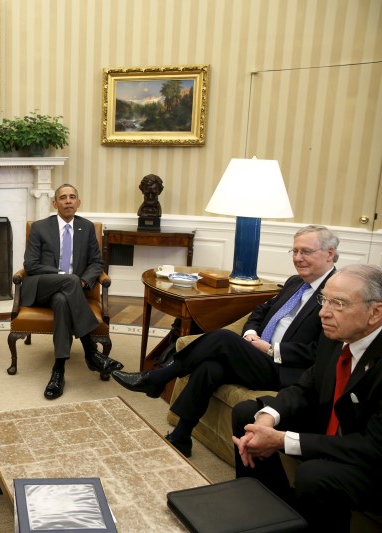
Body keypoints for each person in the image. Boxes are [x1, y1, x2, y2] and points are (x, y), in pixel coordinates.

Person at [112, 225, 339, 457]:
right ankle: (182, 434)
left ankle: (159, 377)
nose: (298, 258)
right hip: (258, 354)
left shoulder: (336, 293)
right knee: (211, 367)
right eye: (295, 252)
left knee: (223, 337)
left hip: (285, 369)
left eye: (306, 252)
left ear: (329, 253)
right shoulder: (294, 282)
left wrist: (272, 348)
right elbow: (261, 310)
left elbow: (321, 351)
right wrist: (250, 333)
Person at [232, 264, 382, 532]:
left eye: (338, 303)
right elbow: (307, 387)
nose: (323, 312)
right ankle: (268, 514)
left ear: (375, 313)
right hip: (335, 430)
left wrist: (283, 440)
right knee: (248, 415)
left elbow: (372, 447)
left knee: (314, 475)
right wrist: (267, 418)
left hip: (371, 457)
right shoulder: (336, 336)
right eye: (324, 300)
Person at [22, 184, 123, 400]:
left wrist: (84, 282)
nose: (68, 201)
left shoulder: (86, 228)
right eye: (63, 197)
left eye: (72, 197)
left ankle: (58, 371)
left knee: (61, 301)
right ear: (54, 203)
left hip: (70, 292)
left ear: (78, 202)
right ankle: (90, 350)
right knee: (68, 281)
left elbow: (97, 263)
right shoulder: (40, 227)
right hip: (41, 287)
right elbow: (30, 265)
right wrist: (64, 276)